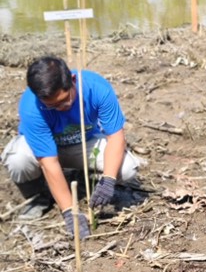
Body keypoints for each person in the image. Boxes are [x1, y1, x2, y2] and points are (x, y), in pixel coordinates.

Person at [1, 56, 141, 239]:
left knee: (127, 168)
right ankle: (39, 196)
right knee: (17, 159)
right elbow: (48, 162)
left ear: (72, 81)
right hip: (47, 150)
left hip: (84, 144)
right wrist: (70, 212)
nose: (62, 107)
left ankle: (92, 179)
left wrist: (108, 180)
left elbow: (116, 137)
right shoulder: (31, 107)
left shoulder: (97, 88)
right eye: (53, 106)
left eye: (65, 99)